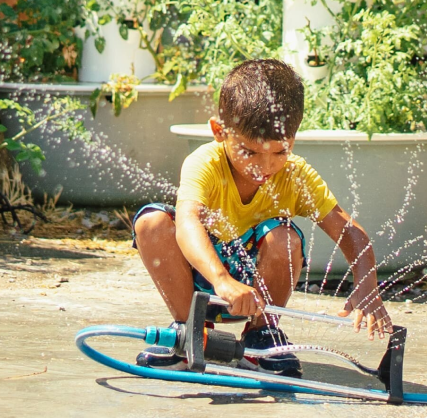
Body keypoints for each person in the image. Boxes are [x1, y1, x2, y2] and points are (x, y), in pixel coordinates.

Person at [131, 59, 392, 377]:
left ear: (293, 140)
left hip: (258, 293)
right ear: (219, 131)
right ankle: (189, 333)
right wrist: (222, 281)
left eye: (280, 152)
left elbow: (349, 232)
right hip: (202, 282)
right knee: (152, 222)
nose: (265, 166)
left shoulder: (297, 177)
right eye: (249, 152)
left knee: (284, 236)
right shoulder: (205, 164)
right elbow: (187, 223)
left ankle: (261, 337)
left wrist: (367, 286)